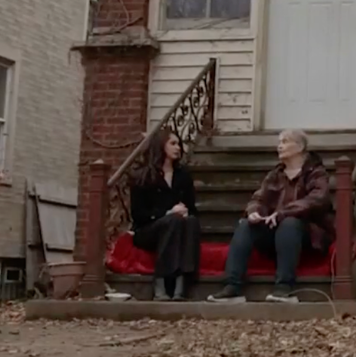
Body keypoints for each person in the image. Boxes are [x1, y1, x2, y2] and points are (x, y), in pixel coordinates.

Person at [207, 129, 333, 304]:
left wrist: (283, 213)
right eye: (279, 142)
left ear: (300, 147)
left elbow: (318, 199)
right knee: (245, 225)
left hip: (308, 235)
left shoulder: (316, 173)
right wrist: (254, 212)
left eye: (285, 142)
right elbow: (258, 198)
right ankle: (232, 287)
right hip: (276, 235)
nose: (279, 146)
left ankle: (283, 289)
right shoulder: (275, 175)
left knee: (289, 223)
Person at [128, 128, 200, 300]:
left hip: (177, 227)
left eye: (179, 144)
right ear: (161, 146)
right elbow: (138, 214)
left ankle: (180, 287)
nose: (178, 148)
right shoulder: (144, 176)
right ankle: (161, 285)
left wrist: (185, 211)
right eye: (173, 144)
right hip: (148, 229)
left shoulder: (183, 176)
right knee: (172, 221)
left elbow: (192, 207)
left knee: (190, 222)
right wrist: (168, 213)